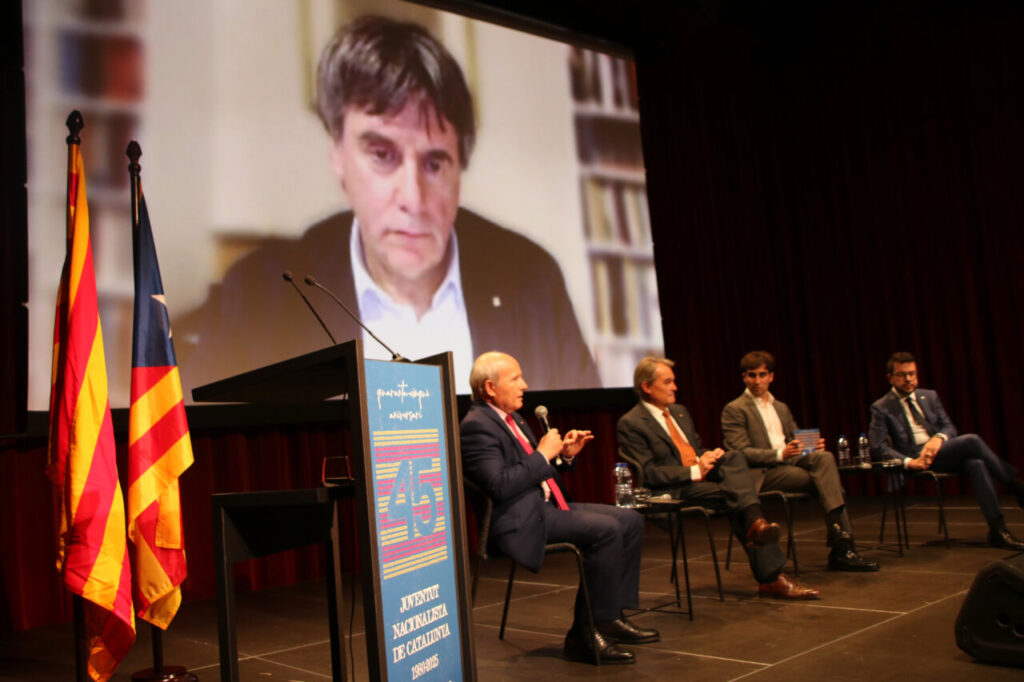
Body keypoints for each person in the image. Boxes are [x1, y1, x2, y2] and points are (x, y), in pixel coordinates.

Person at [175, 15, 598, 394]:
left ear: (460, 169)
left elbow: (580, 428)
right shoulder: (259, 296)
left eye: (434, 163)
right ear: (338, 154)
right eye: (382, 155)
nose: (412, 199)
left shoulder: (532, 281)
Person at [460, 351, 655, 665]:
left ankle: (609, 616)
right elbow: (499, 485)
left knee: (630, 519)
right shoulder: (476, 426)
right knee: (607, 530)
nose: (524, 385)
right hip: (519, 520)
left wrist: (563, 456)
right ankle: (584, 634)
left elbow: (533, 473)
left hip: (546, 506)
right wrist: (542, 454)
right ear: (490, 388)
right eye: (515, 378)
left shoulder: (513, 418)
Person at [617, 356, 821, 599]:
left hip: (699, 476)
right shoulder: (631, 423)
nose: (675, 387)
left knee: (733, 457)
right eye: (668, 382)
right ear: (647, 387)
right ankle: (770, 574)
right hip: (671, 489)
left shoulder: (679, 412)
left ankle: (757, 528)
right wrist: (695, 470)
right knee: (737, 496)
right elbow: (649, 473)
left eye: (674, 381)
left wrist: (708, 456)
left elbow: (694, 450)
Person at [721, 351, 879, 571]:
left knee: (825, 457)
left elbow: (794, 440)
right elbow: (739, 452)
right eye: (752, 375)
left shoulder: (780, 407)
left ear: (771, 376)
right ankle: (843, 548)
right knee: (826, 480)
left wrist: (810, 446)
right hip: (763, 472)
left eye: (762, 375)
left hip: (789, 463)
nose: (757, 381)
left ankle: (839, 536)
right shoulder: (735, 409)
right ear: (744, 377)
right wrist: (780, 454)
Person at [869, 351, 1024, 550]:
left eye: (912, 374)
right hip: (915, 458)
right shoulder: (881, 407)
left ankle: (998, 530)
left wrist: (938, 438)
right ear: (890, 378)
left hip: (939, 452)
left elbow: (949, 427)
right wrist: (909, 462)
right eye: (902, 375)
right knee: (972, 440)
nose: (908, 379)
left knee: (976, 463)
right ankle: (1015, 485)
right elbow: (878, 446)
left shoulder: (929, 396)